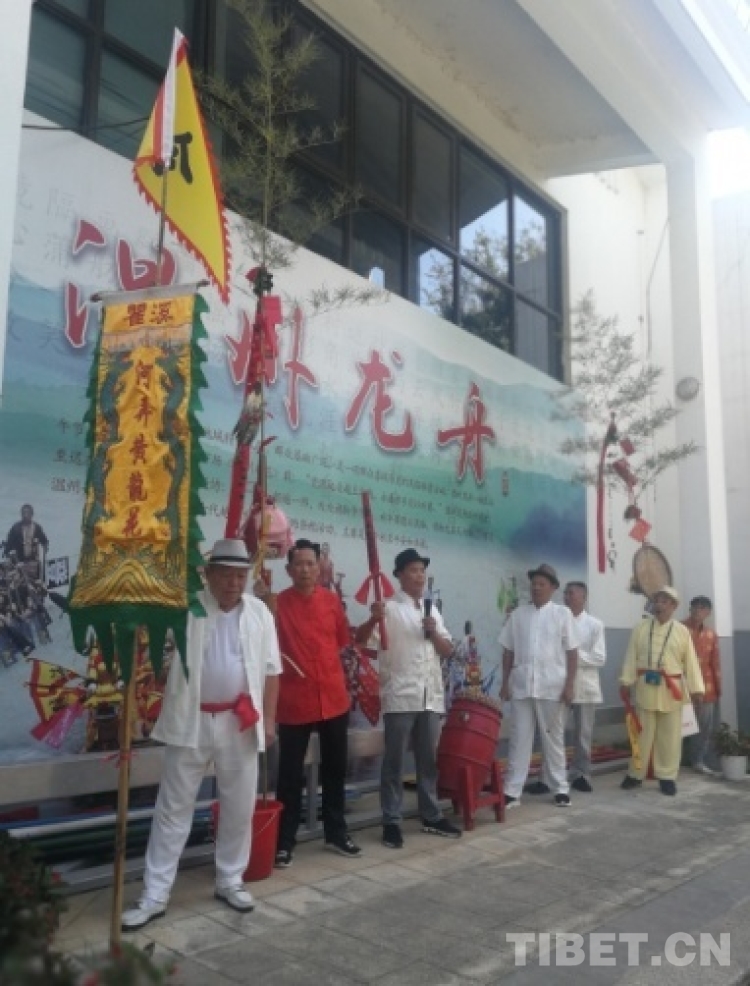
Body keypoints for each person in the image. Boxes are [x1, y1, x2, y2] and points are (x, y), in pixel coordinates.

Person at [121, 538, 281, 931]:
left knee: (238, 805)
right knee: (173, 808)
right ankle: (155, 894)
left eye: (240, 575)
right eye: (225, 574)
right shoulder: (186, 607)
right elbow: (150, 631)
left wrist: (269, 721)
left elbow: (272, 670)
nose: (233, 583)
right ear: (207, 574)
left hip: (239, 720)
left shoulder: (260, 612)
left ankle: (230, 879)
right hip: (190, 720)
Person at [264, 538, 361, 867]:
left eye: (310, 563)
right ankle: (284, 842)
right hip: (294, 700)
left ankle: (336, 832)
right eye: (299, 564)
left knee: (335, 770)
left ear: (319, 568)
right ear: (289, 569)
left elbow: (342, 642)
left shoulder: (332, 602)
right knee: (289, 775)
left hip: (332, 697)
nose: (305, 570)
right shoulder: (277, 604)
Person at [355, 547, 461, 849]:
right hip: (400, 696)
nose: (419, 576)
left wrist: (433, 632)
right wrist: (373, 619)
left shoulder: (432, 610)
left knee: (428, 760)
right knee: (394, 762)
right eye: (413, 570)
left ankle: (431, 815)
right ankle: (391, 820)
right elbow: (360, 640)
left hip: (430, 697)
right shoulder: (388, 609)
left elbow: (448, 650)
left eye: (422, 570)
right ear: (400, 575)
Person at [499, 563, 580, 808]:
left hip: (552, 687)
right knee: (519, 739)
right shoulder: (518, 615)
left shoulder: (562, 614)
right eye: (534, 583)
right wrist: (505, 682)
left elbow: (572, 653)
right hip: (522, 685)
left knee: (553, 740)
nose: (536, 587)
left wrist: (569, 685)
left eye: (542, 584)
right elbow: (508, 651)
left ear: (553, 588)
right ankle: (512, 791)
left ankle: (560, 788)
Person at [619, 586, 704, 796]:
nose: (659, 605)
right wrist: (626, 681)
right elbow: (631, 656)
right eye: (657, 600)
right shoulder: (640, 628)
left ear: (674, 606)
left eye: (665, 601)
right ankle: (635, 774)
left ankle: (667, 777)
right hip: (645, 688)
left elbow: (691, 662)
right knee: (641, 735)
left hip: (671, 691)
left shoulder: (682, 631)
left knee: (670, 738)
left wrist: (697, 690)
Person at [564, 581, 606, 792]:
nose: (566, 597)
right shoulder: (559, 621)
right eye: (565, 593)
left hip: (585, 685)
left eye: (571, 593)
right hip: (560, 684)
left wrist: (573, 656)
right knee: (553, 731)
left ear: (583, 597)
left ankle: (581, 773)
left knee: (583, 734)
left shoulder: (594, 624)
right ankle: (551, 775)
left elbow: (599, 658)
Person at [683, 595, 721, 775]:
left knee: (704, 727)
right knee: (679, 725)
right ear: (690, 608)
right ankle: (675, 762)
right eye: (695, 607)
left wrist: (717, 688)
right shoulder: (678, 628)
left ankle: (697, 761)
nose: (698, 610)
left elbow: (715, 662)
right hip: (682, 686)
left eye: (702, 608)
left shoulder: (711, 634)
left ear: (708, 612)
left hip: (706, 687)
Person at [5, 504, 49, 580]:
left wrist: (45, 547)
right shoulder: (15, 528)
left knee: (35, 582)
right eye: (23, 513)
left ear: (32, 514)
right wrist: (9, 556)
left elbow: (44, 541)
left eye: (27, 513)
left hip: (33, 561)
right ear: (21, 514)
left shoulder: (37, 527)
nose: (25, 515)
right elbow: (8, 545)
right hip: (19, 561)